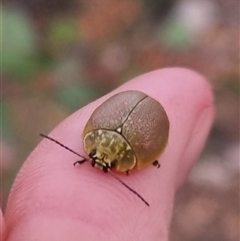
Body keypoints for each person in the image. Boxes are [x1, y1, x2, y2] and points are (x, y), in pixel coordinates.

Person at [1, 68, 214, 241]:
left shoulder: (132, 150)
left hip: (141, 113)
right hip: (132, 107)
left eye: (98, 157)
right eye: (96, 156)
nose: (100, 163)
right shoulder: (110, 143)